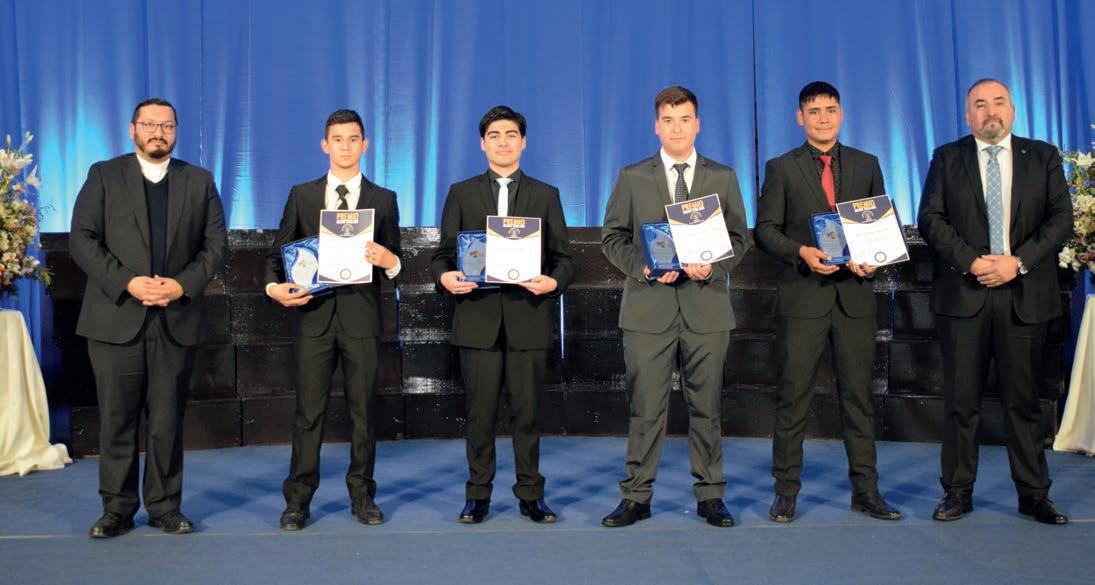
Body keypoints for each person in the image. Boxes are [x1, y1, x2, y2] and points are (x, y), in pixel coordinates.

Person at [917, 78, 1072, 524]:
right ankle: (957, 492)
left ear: (1013, 110)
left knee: (1023, 402)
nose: (990, 112)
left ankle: (1034, 494)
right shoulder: (947, 157)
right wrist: (971, 261)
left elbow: (1061, 218)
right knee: (961, 403)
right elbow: (931, 218)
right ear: (968, 116)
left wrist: (1016, 263)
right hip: (964, 296)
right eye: (980, 105)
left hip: (1023, 296)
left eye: (998, 103)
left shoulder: (1043, 156)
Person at [71, 98, 227, 538]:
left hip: (174, 319)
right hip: (115, 318)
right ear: (132, 129)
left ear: (176, 131)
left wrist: (180, 285)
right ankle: (116, 509)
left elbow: (215, 246)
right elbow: (83, 239)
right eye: (149, 124)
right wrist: (128, 283)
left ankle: (164, 506)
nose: (158, 132)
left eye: (167, 126)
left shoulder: (200, 181)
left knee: (167, 421)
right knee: (116, 419)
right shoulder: (104, 175)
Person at [600, 86, 750, 527]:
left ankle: (710, 494)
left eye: (685, 119)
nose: (677, 128)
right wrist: (644, 267)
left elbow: (740, 238)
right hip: (648, 309)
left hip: (707, 308)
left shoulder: (723, 177)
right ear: (656, 126)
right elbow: (612, 237)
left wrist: (714, 266)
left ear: (697, 124)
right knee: (645, 407)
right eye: (668, 120)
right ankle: (636, 496)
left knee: (708, 407)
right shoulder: (633, 177)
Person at [754, 81, 901, 523]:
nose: (823, 118)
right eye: (814, 111)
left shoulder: (867, 164)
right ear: (800, 117)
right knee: (793, 397)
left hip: (854, 297)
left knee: (858, 398)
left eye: (830, 109)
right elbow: (766, 231)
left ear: (841, 114)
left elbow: (879, 225)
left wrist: (874, 260)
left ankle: (866, 490)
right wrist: (800, 251)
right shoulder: (781, 168)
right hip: (804, 298)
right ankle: (785, 491)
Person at [431, 105, 574, 524]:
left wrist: (553, 282)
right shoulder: (461, 193)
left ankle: (531, 494)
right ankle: (478, 494)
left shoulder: (546, 195)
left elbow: (564, 258)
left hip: (528, 317)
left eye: (511, 134)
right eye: (494, 135)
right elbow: (442, 255)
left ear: (523, 142)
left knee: (527, 415)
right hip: (477, 321)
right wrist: (445, 277)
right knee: (480, 416)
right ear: (483, 143)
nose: (503, 142)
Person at [264, 109, 402, 530]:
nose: (345, 146)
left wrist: (390, 261)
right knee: (308, 413)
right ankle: (298, 500)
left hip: (362, 319)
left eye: (353, 138)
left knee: (364, 413)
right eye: (337, 139)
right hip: (313, 318)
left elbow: (397, 263)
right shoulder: (302, 195)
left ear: (365, 145)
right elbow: (277, 255)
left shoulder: (384, 199)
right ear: (325, 145)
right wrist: (273, 287)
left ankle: (363, 495)